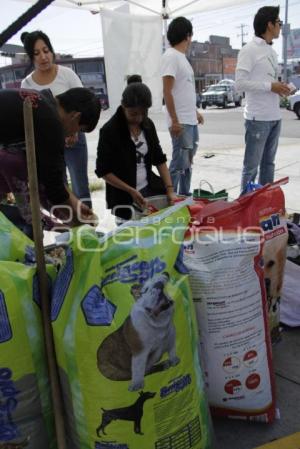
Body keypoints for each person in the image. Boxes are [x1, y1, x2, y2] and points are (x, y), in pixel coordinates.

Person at [0, 87, 101, 232]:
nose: (74, 134)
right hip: (11, 166)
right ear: (76, 116)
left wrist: (75, 206)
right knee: (27, 229)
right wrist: (73, 225)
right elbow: (52, 190)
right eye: (79, 129)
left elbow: (49, 181)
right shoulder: (50, 123)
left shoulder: (44, 104)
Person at [20, 30, 92, 208]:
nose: (43, 57)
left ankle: (88, 229)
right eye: (36, 53)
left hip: (74, 140)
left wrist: (75, 133)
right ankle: (71, 229)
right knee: (59, 189)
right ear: (31, 57)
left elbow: (84, 103)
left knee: (80, 186)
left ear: (51, 51)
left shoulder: (67, 74)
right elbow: (30, 121)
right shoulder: (27, 84)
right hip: (49, 145)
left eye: (46, 50)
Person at [95, 82, 176, 222]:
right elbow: (104, 171)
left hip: (148, 189)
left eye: (143, 113)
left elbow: (159, 159)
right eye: (133, 114)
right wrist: (130, 190)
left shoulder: (148, 125)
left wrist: (170, 190)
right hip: (123, 196)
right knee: (129, 236)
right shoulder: (110, 131)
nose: (138, 118)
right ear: (123, 106)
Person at [235, 6, 291, 194]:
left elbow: (267, 81)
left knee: (269, 165)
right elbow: (240, 84)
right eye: (278, 23)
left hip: (274, 117)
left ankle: (264, 208)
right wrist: (270, 87)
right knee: (251, 168)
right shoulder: (249, 50)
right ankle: (244, 210)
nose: (280, 26)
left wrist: (280, 88)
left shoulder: (271, 52)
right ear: (269, 24)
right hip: (257, 119)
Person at [161, 16, 204, 196]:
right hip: (181, 123)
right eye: (191, 35)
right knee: (179, 164)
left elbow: (182, 91)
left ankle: (184, 197)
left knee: (187, 163)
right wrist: (175, 121)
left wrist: (195, 112)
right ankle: (171, 199)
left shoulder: (182, 58)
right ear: (187, 35)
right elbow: (167, 91)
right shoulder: (171, 56)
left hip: (189, 120)